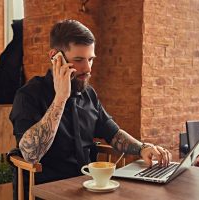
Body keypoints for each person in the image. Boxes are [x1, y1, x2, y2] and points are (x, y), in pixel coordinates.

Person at [10, 19, 172, 199]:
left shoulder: (88, 94)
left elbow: (114, 133)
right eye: (79, 60)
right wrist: (60, 98)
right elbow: (30, 154)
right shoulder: (28, 95)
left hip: (87, 188)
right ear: (55, 57)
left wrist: (143, 148)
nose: (87, 68)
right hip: (45, 192)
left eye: (91, 59)